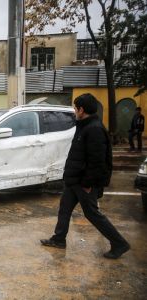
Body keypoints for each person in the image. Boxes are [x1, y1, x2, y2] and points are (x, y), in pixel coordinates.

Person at [40, 93, 130, 259]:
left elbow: (97, 161)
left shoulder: (94, 129)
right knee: (64, 208)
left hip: (83, 183)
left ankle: (119, 243)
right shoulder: (84, 126)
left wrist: (88, 183)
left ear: (81, 110)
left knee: (92, 214)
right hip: (74, 180)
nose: (74, 111)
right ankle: (59, 239)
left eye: (75, 108)